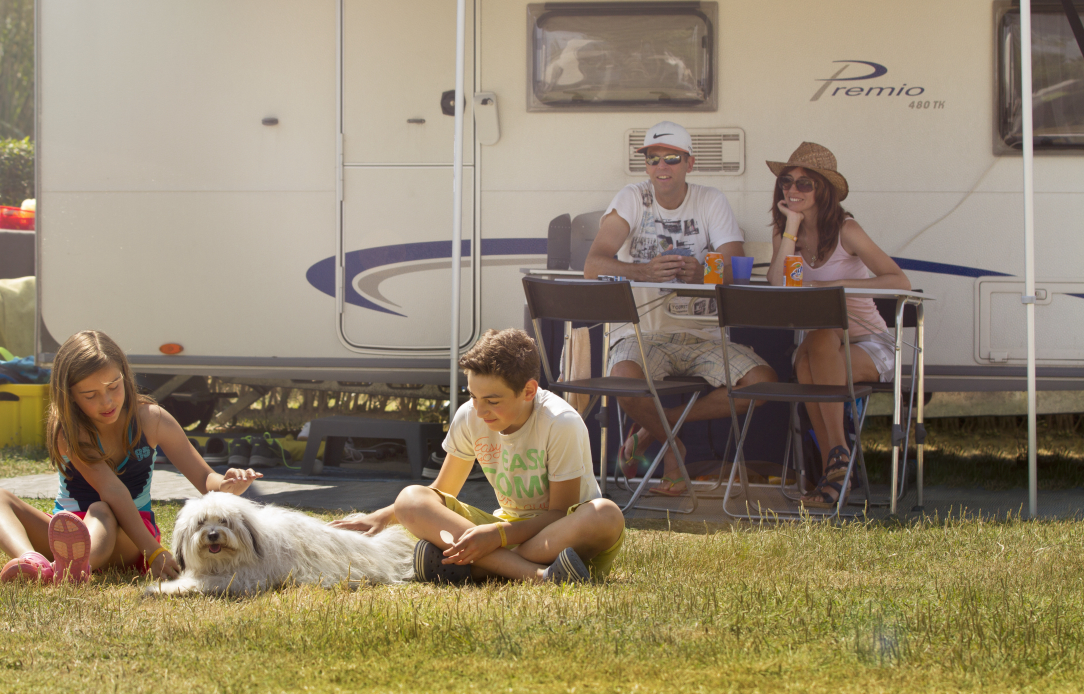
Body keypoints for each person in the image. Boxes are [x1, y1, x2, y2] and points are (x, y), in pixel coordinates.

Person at [331, 328, 626, 584]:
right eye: (472, 396)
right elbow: (442, 492)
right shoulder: (470, 416)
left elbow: (558, 514)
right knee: (411, 498)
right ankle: (539, 576)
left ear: (528, 391)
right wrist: (382, 517)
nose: (480, 410)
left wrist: (495, 537)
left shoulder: (561, 422)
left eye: (492, 401)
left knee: (606, 515)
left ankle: (478, 567)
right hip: (506, 530)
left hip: (558, 537)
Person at [583, 121, 777, 496]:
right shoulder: (631, 198)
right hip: (644, 333)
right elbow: (593, 265)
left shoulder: (710, 199)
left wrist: (701, 272)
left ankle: (659, 426)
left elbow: (734, 268)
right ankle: (674, 447)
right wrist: (645, 270)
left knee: (763, 382)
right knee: (622, 380)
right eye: (653, 159)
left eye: (672, 158)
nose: (662, 166)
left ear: (690, 162)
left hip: (702, 334)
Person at [0, 330, 263, 583]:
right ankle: (33, 561)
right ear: (70, 397)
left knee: (101, 510)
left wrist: (224, 486)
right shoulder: (69, 430)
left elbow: (204, 478)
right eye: (90, 395)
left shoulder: (152, 419)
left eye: (113, 387)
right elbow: (110, 487)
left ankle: (72, 569)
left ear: (125, 377)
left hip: (134, 537)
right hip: (66, 532)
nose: (107, 401)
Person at [765, 142, 910, 505]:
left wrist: (830, 286)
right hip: (824, 343)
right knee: (813, 346)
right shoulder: (787, 232)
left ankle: (837, 460)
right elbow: (776, 284)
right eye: (786, 181)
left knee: (813, 350)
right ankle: (839, 466)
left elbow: (899, 282)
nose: (792, 190)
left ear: (822, 190)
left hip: (871, 342)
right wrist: (792, 226)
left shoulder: (847, 230)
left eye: (804, 184)